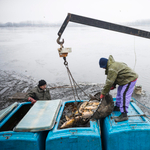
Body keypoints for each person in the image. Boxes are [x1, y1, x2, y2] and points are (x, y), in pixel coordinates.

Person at [99, 55, 138, 122]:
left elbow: (109, 82)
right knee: (119, 92)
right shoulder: (113, 64)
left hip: (130, 79)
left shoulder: (112, 68)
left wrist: (103, 93)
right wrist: (114, 85)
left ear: (105, 65)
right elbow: (116, 76)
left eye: (103, 67)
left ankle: (124, 115)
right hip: (124, 80)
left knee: (124, 95)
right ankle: (118, 107)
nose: (103, 69)